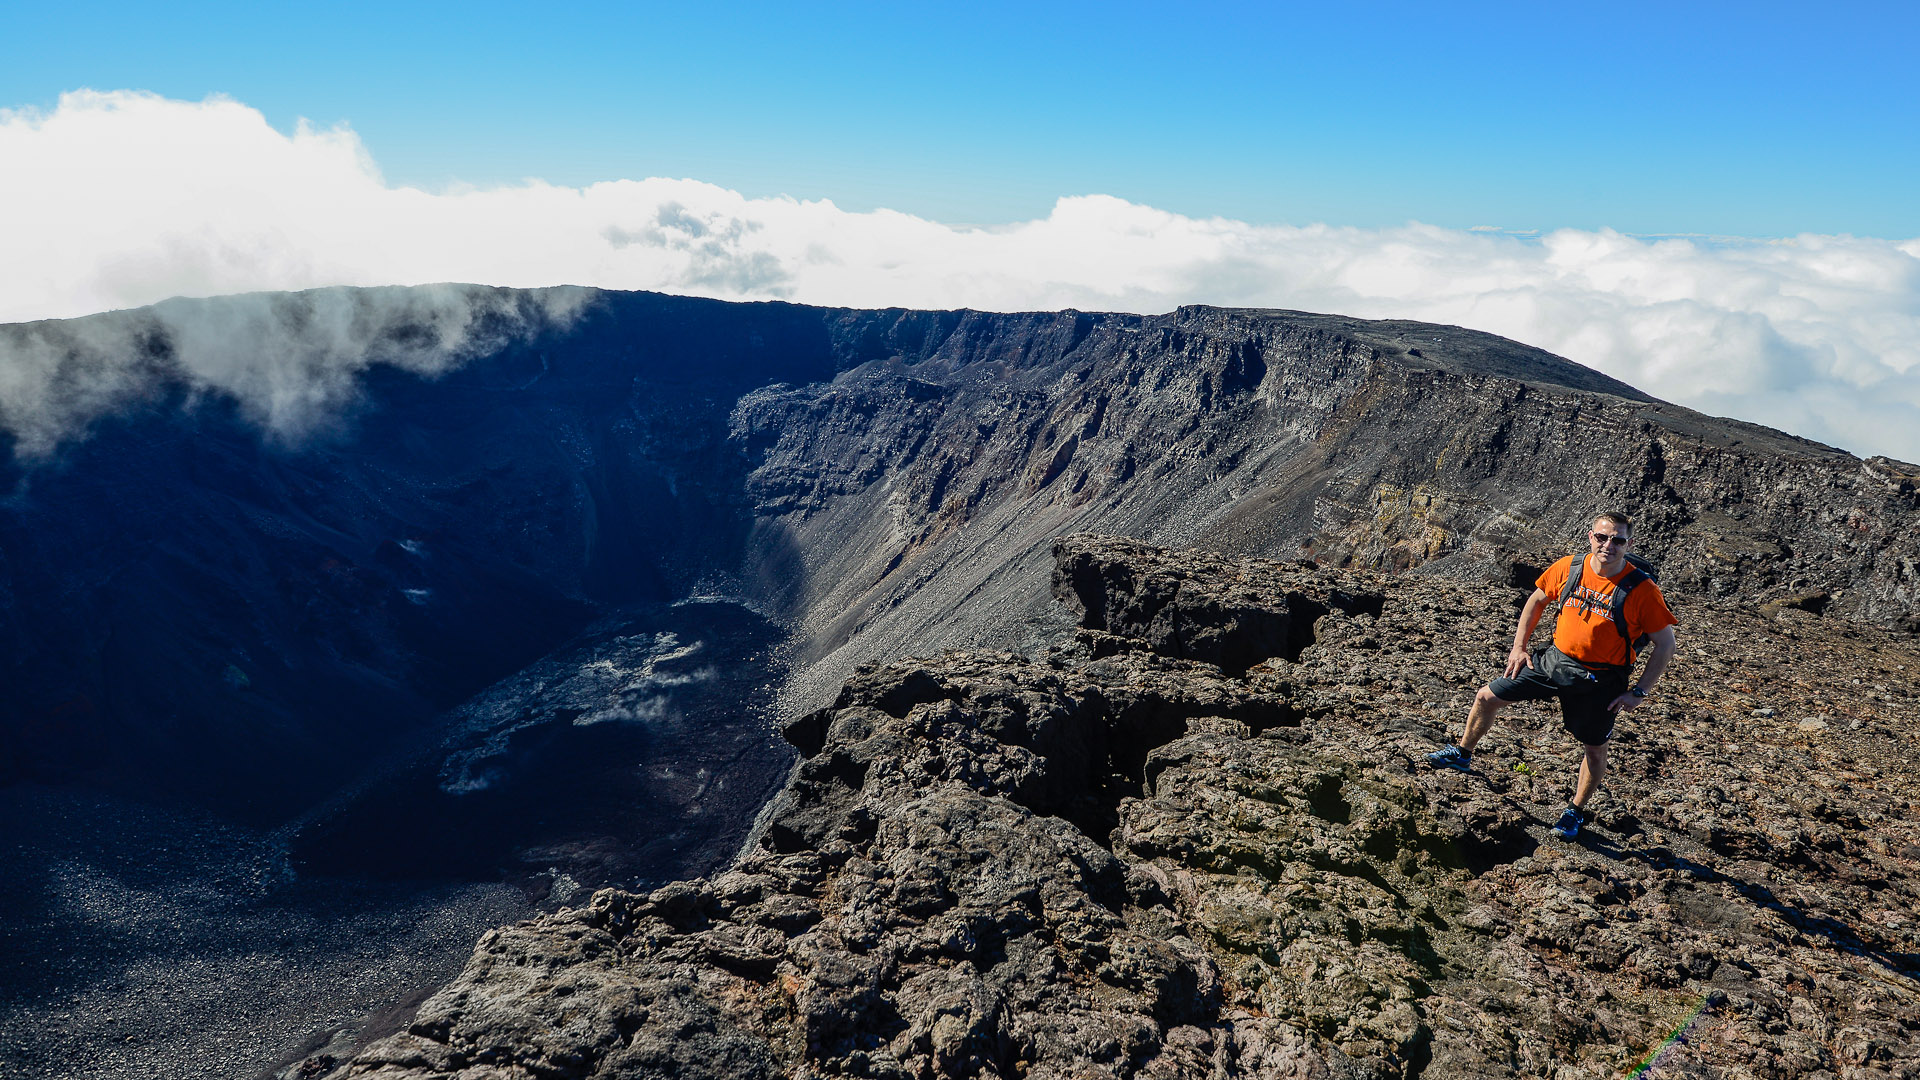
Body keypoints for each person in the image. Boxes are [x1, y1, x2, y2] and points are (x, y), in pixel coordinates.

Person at [1427, 512, 1678, 839]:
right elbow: (1537, 600)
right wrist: (1519, 647)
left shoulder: (1641, 591)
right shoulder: (1570, 567)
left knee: (1594, 748)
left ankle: (1575, 811)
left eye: (1617, 540)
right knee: (1486, 697)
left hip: (1601, 679)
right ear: (1591, 537)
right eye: (1602, 538)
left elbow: (1665, 644)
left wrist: (1639, 692)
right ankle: (1462, 754)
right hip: (1555, 661)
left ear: (1629, 544)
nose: (1608, 546)